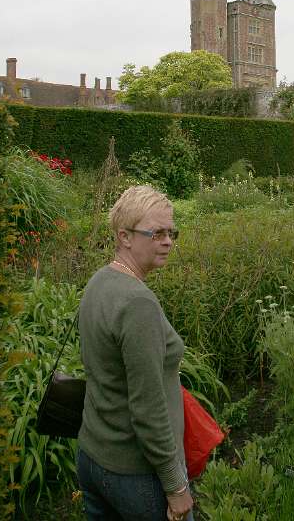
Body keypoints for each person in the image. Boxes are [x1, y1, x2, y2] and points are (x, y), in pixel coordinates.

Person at [77, 185, 194, 521]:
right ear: (124, 236)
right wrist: (175, 486)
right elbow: (147, 408)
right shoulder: (138, 303)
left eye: (171, 232)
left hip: (92, 456)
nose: (168, 241)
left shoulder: (100, 281)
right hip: (134, 474)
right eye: (156, 232)